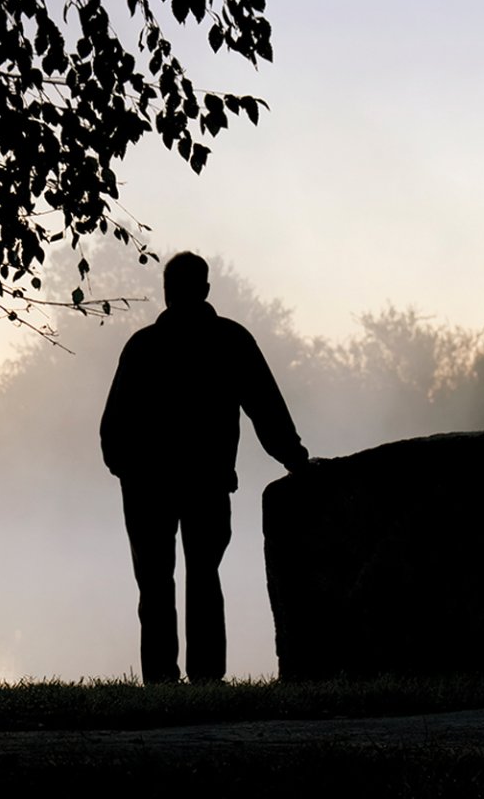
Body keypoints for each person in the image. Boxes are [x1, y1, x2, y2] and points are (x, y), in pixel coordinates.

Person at [100, 252, 309, 684]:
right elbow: (266, 408)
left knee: (155, 585)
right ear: (207, 289)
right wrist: (294, 458)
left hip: (147, 487)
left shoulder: (142, 346)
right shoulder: (230, 340)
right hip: (207, 482)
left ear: (166, 292)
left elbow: (113, 427)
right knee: (205, 579)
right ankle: (207, 681)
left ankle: (161, 682)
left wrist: (129, 472)